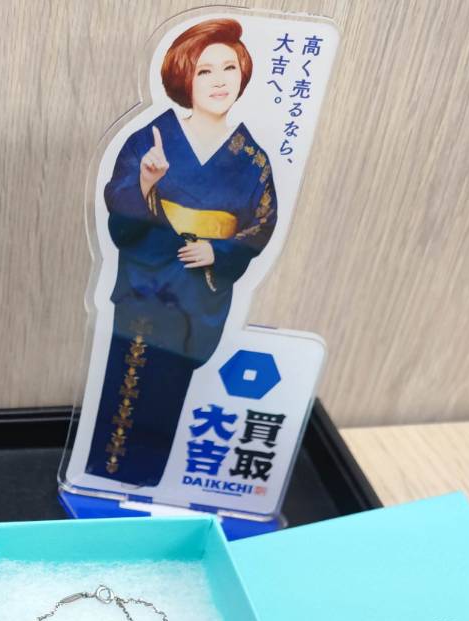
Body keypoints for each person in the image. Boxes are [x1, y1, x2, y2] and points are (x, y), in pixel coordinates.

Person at [86, 18, 278, 486]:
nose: (219, 81)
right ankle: (105, 474)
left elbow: (262, 223)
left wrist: (219, 252)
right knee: (128, 381)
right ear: (183, 77)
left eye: (229, 68)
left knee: (169, 388)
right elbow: (119, 200)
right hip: (149, 284)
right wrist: (146, 182)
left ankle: (146, 480)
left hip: (198, 293)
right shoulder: (150, 138)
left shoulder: (252, 158)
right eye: (204, 71)